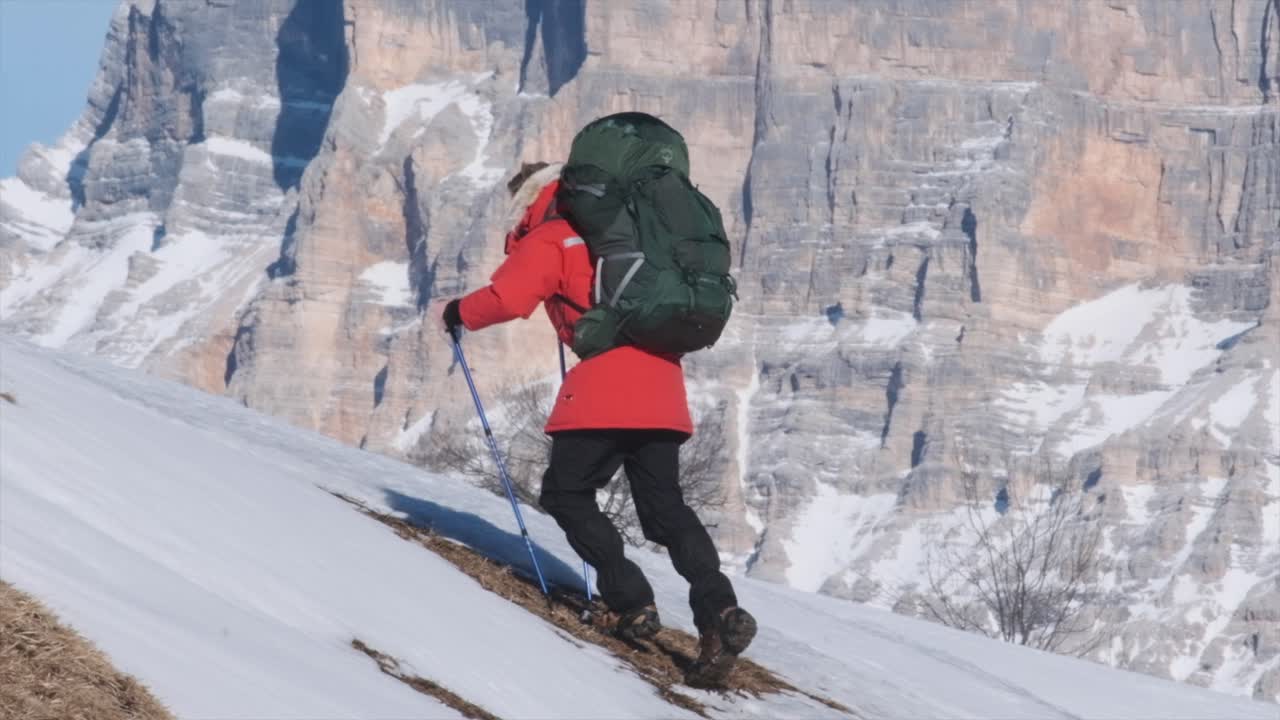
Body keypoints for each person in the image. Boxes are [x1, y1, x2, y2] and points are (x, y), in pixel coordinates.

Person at [438, 161, 756, 686]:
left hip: (605, 388)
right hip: (663, 387)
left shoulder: (557, 236)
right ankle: (720, 613)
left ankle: (631, 602)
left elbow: (507, 299)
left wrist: (454, 313)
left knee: (567, 493)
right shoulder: (639, 234)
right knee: (664, 510)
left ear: (530, 200)